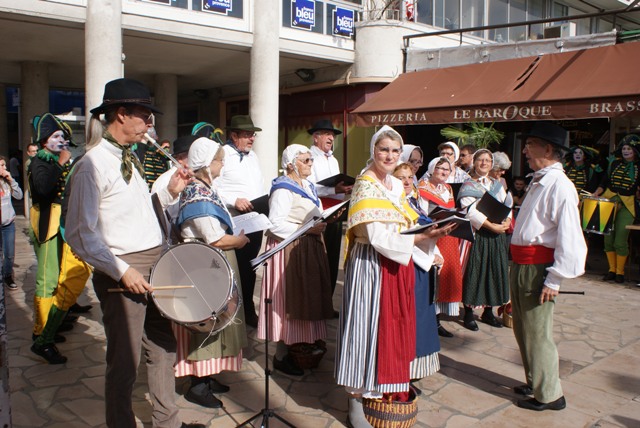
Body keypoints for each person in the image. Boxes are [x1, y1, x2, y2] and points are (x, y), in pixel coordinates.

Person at [64, 78, 200, 428]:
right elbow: (80, 234)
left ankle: (166, 421)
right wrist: (123, 270)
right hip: (125, 269)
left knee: (163, 348)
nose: (150, 124)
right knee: (124, 362)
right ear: (121, 114)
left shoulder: (131, 157)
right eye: (144, 115)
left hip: (155, 261)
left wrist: (170, 192)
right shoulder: (91, 164)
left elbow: (139, 213)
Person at [335, 126, 454, 428]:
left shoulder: (394, 185)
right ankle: (355, 400)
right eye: (383, 149)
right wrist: (419, 239)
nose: (388, 155)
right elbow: (377, 236)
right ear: (373, 151)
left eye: (393, 151)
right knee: (364, 329)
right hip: (370, 267)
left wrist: (433, 235)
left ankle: (380, 388)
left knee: (386, 329)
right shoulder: (366, 185)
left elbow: (410, 223)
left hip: (394, 265)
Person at [510, 121, 587, 411]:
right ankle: (536, 380)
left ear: (549, 149)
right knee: (523, 329)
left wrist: (554, 279)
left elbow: (570, 238)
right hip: (522, 264)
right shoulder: (540, 180)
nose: (526, 150)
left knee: (538, 333)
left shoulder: (561, 186)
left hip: (537, 267)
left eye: (531, 144)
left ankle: (550, 395)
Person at [174, 137, 249, 409]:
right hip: (204, 265)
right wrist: (239, 241)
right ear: (206, 164)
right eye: (219, 159)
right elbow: (214, 238)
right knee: (207, 321)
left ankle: (209, 373)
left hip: (212, 263)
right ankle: (198, 384)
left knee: (220, 318)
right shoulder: (198, 194)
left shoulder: (205, 188)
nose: (222, 163)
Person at [257, 144, 333, 376]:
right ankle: (282, 355)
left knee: (305, 298)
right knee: (289, 301)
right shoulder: (283, 189)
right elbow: (275, 223)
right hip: (288, 251)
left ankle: (299, 345)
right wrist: (307, 229)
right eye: (306, 160)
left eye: (311, 160)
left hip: (307, 247)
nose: (311, 164)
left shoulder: (307, 185)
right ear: (291, 164)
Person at [392, 163, 441, 395]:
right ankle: (403, 370)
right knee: (408, 319)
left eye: (410, 177)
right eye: (401, 177)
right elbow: (398, 238)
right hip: (407, 265)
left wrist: (437, 253)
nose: (406, 181)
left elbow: (424, 227)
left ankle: (415, 367)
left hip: (423, 264)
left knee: (421, 318)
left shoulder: (413, 202)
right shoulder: (393, 204)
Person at [214, 115, 265, 328]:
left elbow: (258, 183)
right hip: (233, 218)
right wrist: (234, 200)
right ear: (233, 135)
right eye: (246, 134)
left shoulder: (253, 156)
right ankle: (230, 310)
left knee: (250, 267)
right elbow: (212, 185)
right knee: (234, 267)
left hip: (255, 218)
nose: (251, 138)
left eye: (252, 134)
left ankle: (247, 310)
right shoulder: (222, 155)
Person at [27, 113, 73, 339]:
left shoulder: (52, 161)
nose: (62, 140)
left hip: (58, 223)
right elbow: (44, 189)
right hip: (47, 223)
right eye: (56, 136)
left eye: (62, 136)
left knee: (56, 277)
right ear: (44, 141)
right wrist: (62, 163)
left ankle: (52, 324)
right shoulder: (40, 161)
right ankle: (41, 332)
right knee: (46, 278)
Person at [458, 149, 511, 331]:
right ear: (474, 162)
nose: (484, 163)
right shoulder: (468, 186)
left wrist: (507, 221)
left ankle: (489, 311)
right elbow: (470, 212)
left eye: (488, 160)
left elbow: (507, 204)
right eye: (480, 160)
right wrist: (492, 226)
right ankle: (469, 313)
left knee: (494, 271)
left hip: (496, 235)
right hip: (478, 234)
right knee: (475, 272)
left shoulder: (497, 185)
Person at [307, 119, 352, 311]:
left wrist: (345, 190)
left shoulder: (332, 159)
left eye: (332, 135)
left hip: (336, 211)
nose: (331, 138)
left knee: (333, 258)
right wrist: (334, 188)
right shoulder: (309, 157)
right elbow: (309, 188)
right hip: (319, 212)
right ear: (316, 137)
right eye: (327, 134)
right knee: (319, 259)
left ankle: (328, 303)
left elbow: (336, 188)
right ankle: (316, 302)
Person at [418, 157, 464, 338]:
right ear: (432, 168)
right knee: (434, 276)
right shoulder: (423, 187)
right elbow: (421, 214)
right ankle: (432, 320)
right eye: (440, 168)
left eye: (447, 169)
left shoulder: (448, 189)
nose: (444, 172)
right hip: (434, 236)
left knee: (445, 277)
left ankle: (437, 319)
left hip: (449, 237)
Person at [593, 134, 640, 283]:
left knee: (620, 239)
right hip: (609, 200)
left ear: (635, 151)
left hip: (628, 204)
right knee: (608, 238)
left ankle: (620, 272)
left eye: (629, 148)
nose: (626, 151)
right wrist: (596, 193)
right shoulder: (614, 164)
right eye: (624, 148)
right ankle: (611, 270)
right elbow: (604, 182)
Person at [0, 156, 23, 290]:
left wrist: (11, 180)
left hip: (8, 224)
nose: (5, 168)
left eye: (5, 165)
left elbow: (19, 196)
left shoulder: (7, 182)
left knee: (9, 253)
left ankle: (8, 276)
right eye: (2, 165)